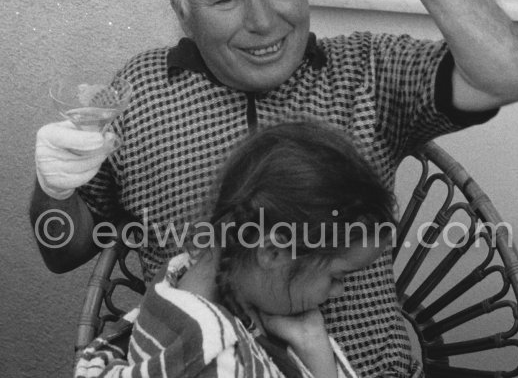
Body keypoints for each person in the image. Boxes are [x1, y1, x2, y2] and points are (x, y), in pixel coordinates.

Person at [31, 0, 518, 378]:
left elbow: (509, 75)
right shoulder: (141, 92)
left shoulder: (366, 70)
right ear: (183, 10)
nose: (262, 20)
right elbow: (61, 250)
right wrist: (55, 186)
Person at [75, 121, 402, 378]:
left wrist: (309, 338)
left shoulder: (187, 278)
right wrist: (317, 351)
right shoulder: (222, 363)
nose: (339, 292)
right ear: (273, 253)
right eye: (338, 276)